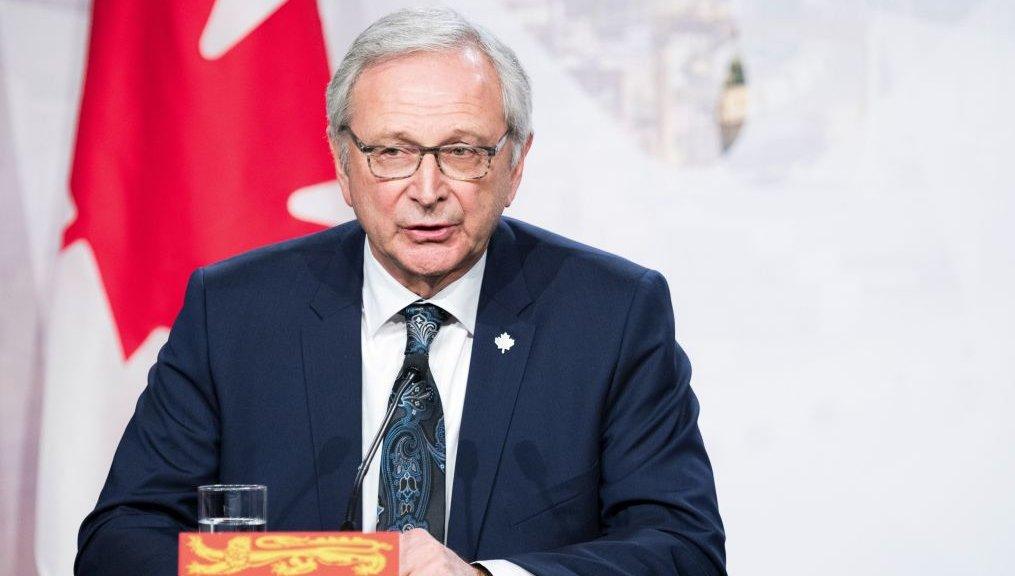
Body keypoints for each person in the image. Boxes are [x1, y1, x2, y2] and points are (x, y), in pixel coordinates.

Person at [76, 7, 725, 576]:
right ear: (342, 162)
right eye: (392, 152)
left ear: (515, 164)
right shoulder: (237, 312)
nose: (427, 188)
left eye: (462, 152)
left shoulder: (610, 316)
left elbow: (684, 550)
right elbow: (118, 542)